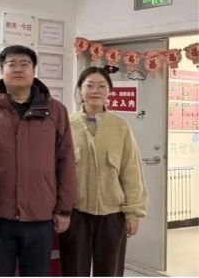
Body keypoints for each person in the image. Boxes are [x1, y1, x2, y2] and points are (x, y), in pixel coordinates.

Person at [0, 45, 77, 277]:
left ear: (34, 70)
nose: (18, 69)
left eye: (25, 64)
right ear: (2, 70)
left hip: (41, 216)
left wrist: (64, 209)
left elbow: (66, 160)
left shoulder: (55, 111)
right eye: (11, 64)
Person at [59, 66, 148, 277]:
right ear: (80, 90)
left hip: (112, 214)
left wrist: (134, 213)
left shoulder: (120, 127)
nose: (95, 91)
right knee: (73, 270)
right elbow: (57, 171)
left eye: (101, 86)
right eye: (89, 85)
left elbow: (131, 171)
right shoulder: (66, 125)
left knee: (110, 271)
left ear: (109, 91)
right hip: (76, 213)